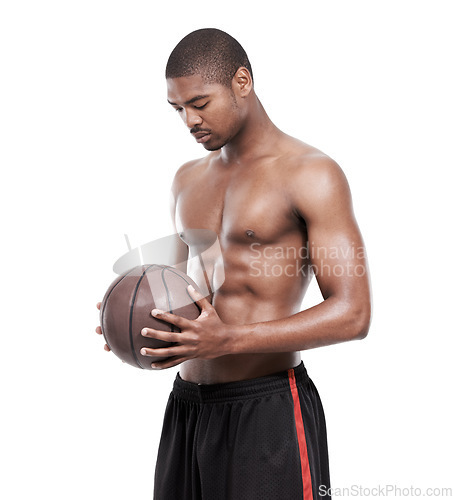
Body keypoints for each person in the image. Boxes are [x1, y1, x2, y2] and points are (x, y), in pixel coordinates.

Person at [96, 28, 372, 500]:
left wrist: (229, 340)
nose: (189, 120)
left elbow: (354, 313)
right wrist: (137, 317)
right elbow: (187, 292)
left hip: (267, 408)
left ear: (242, 81)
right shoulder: (185, 180)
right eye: (178, 109)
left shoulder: (311, 173)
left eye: (200, 103)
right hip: (188, 407)